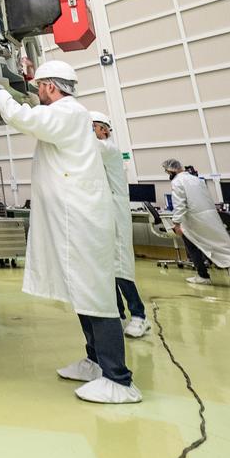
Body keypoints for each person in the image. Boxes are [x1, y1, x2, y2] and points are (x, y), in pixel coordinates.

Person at [0, 60, 141, 405]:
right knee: (85, 294)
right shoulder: (69, 115)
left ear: (52, 88)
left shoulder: (68, 113)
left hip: (80, 222)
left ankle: (118, 379)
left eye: (40, 87)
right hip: (74, 221)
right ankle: (95, 361)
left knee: (97, 298)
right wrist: (18, 84)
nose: (38, 92)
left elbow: (24, 118)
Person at [87, 111, 148, 338]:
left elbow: (85, 144)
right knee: (105, 268)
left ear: (104, 130)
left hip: (114, 211)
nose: (89, 131)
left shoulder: (109, 149)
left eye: (92, 127)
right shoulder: (93, 154)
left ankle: (139, 315)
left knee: (120, 265)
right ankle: (118, 315)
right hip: (99, 211)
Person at [165, 159, 230, 287]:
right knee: (217, 242)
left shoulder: (177, 182)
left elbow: (180, 204)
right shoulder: (198, 180)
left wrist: (176, 223)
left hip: (193, 219)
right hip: (211, 216)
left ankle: (202, 275)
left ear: (172, 170)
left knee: (192, 247)